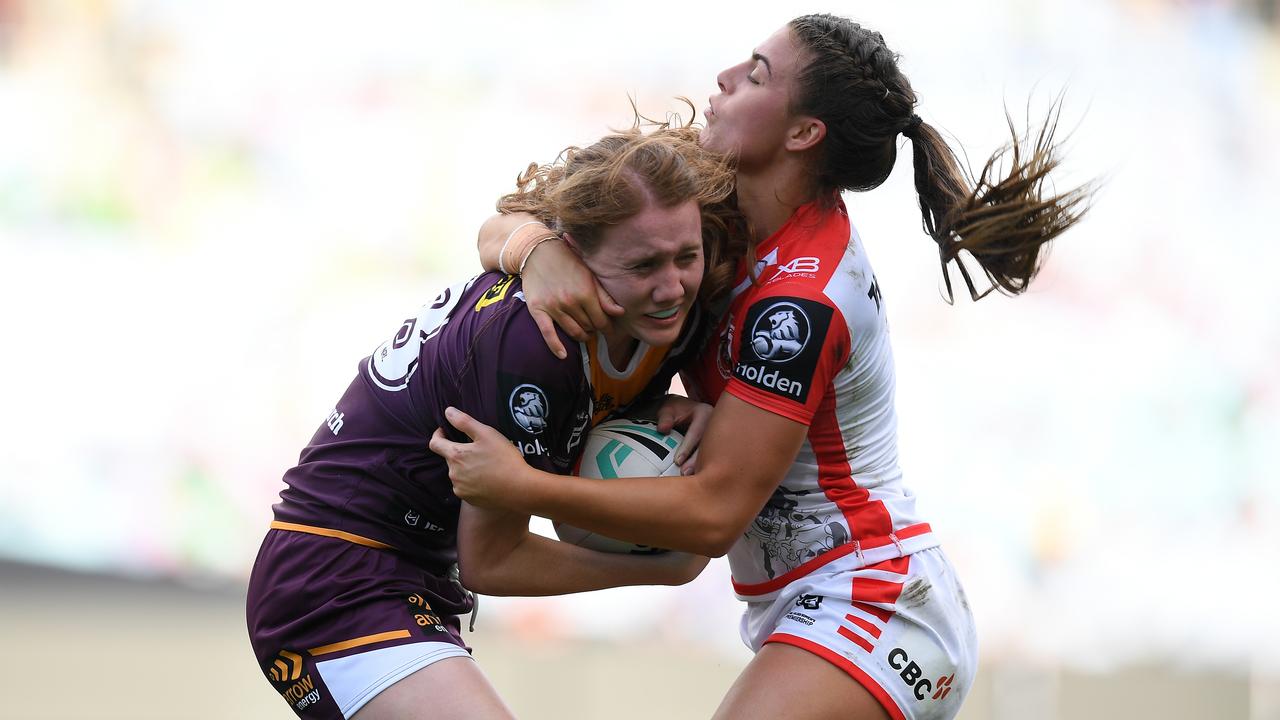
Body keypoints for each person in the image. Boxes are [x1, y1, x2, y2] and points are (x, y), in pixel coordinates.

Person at [430, 14, 1091, 720]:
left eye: (756, 74)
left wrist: (525, 486)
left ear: (803, 134)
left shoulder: (802, 300)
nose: (725, 78)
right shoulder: (699, 196)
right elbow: (495, 228)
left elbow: (715, 514)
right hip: (804, 610)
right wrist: (537, 248)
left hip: (873, 605)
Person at [246, 125, 740, 720]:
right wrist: (658, 570)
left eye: (687, 256)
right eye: (643, 266)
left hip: (415, 578)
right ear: (575, 254)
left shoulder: (674, 306)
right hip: (332, 580)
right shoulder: (534, 346)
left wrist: (663, 411)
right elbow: (492, 560)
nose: (672, 286)